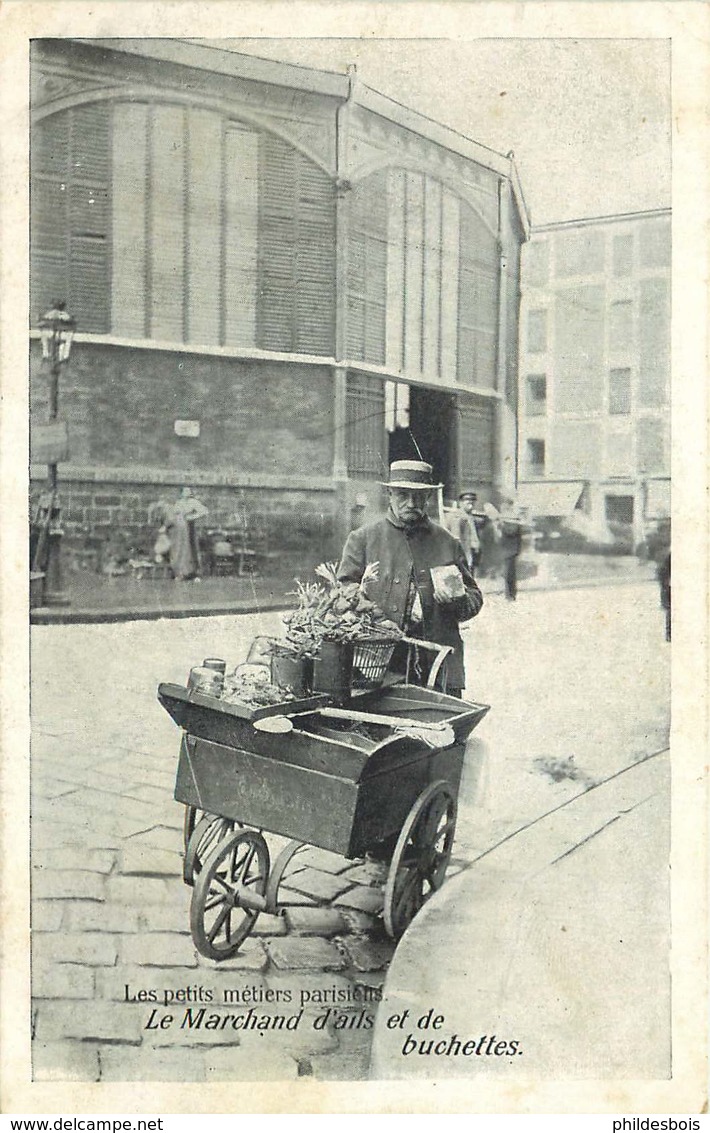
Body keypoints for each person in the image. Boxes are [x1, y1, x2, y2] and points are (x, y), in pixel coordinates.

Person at [337, 460, 483, 697]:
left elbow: (475, 598)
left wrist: (457, 599)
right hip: (379, 663)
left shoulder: (448, 543)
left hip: (438, 664)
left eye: (419, 496)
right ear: (389, 494)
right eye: (403, 495)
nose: (411, 503)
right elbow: (346, 588)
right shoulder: (363, 539)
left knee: (443, 728)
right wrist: (378, 618)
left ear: (427, 497)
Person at [167, 487, 208, 581]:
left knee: (192, 549)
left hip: (192, 529)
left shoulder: (193, 502)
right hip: (181, 530)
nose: (187, 493)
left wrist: (193, 517)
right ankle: (181, 572)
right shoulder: (179, 503)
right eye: (185, 491)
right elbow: (175, 514)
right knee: (181, 549)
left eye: (188, 491)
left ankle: (194, 572)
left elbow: (204, 511)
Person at [445, 490, 482, 570]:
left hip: (473, 552)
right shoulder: (455, 517)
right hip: (461, 553)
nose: (470, 502)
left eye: (472, 500)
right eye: (467, 500)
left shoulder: (474, 519)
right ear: (461, 503)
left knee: (470, 577)